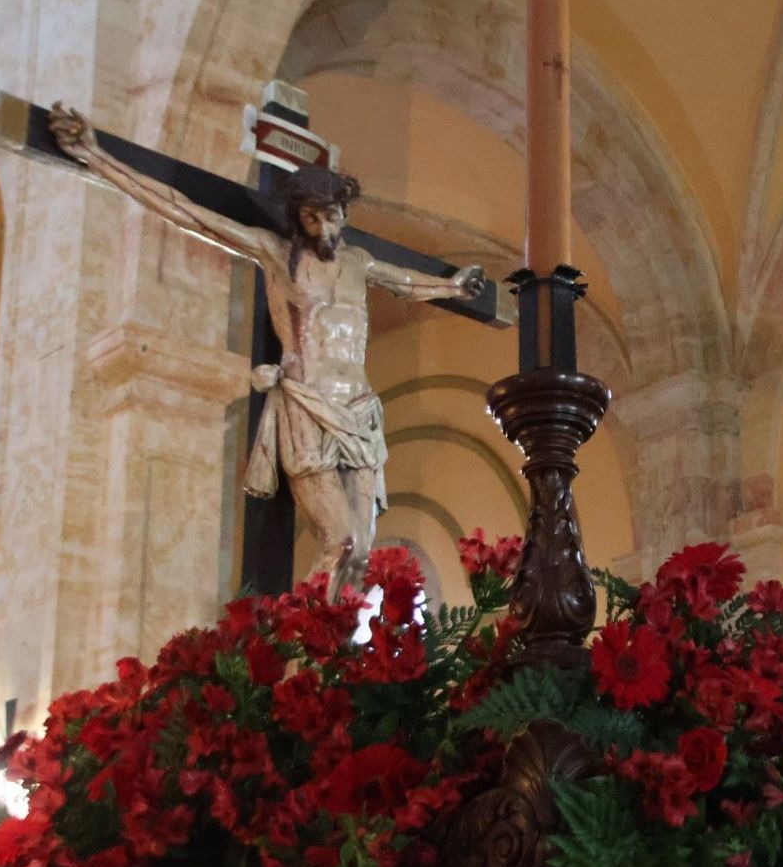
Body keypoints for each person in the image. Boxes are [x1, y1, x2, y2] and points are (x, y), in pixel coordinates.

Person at [49, 105, 486, 595]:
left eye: (332, 216)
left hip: (360, 412)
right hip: (307, 405)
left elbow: (406, 282)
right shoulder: (276, 254)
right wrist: (95, 156)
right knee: (339, 542)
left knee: (363, 550)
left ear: (345, 214)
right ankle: (304, 644)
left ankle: (337, 658)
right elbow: (185, 209)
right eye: (312, 217)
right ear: (298, 219)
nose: (323, 228)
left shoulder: (359, 262)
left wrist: (454, 289)